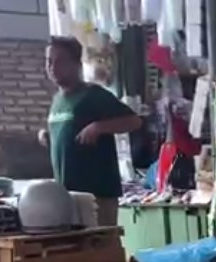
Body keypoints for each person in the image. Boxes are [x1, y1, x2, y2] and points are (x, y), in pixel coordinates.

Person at [38, 36, 141, 227]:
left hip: (97, 196)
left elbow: (134, 121)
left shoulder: (93, 94)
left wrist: (99, 127)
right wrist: (48, 135)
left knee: (101, 250)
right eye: (49, 61)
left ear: (76, 64)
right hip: (67, 196)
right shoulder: (57, 101)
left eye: (60, 61)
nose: (53, 67)